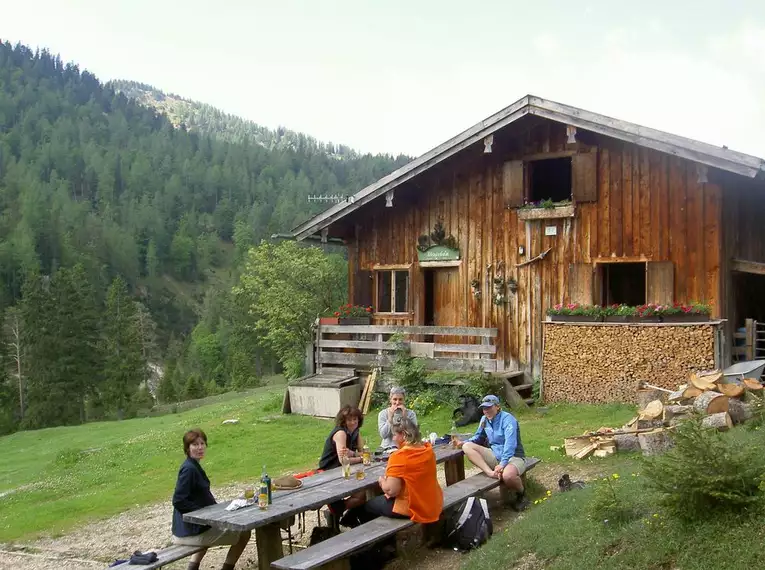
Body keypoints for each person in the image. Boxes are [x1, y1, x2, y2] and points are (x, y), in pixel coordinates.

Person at [171, 429, 251, 570]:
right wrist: (203, 514)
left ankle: (192, 567)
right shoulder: (189, 469)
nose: (200, 447)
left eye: (202, 443)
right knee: (244, 532)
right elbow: (178, 500)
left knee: (213, 525)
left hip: (192, 528)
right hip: (188, 532)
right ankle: (227, 568)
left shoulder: (193, 465)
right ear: (187, 448)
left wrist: (215, 511)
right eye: (195, 444)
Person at [344, 415, 443, 527]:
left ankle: (374, 539)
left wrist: (382, 481)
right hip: (433, 503)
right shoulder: (427, 449)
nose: (394, 438)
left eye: (395, 435)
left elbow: (391, 491)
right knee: (378, 501)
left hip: (414, 508)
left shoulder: (400, 456)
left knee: (366, 507)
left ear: (404, 435)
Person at [454, 394, 530, 511]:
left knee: (508, 476)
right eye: (484, 408)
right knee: (467, 446)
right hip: (495, 455)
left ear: (497, 407)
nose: (486, 411)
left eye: (489, 407)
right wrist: (463, 442)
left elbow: (510, 445)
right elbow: (478, 437)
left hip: (513, 457)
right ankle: (490, 473)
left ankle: (522, 494)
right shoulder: (484, 420)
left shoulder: (508, 420)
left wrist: (503, 464)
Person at [319, 406, 367, 520]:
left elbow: (365, 452)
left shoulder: (356, 432)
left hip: (344, 470)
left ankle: (344, 516)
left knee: (362, 493)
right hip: (330, 470)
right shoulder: (341, 433)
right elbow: (344, 461)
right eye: (349, 420)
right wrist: (361, 458)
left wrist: (353, 454)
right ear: (343, 421)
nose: (353, 422)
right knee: (361, 494)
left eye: (355, 419)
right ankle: (336, 511)